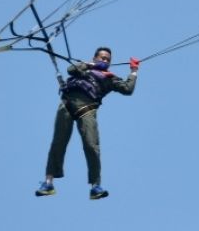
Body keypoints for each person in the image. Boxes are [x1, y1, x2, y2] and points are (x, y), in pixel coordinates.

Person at [35, 46, 139, 200]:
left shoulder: (109, 78)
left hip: (87, 109)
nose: (105, 60)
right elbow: (71, 70)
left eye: (107, 59)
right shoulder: (84, 68)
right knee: (58, 143)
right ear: (95, 57)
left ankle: (95, 186)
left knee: (91, 145)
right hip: (66, 106)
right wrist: (88, 64)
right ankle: (48, 183)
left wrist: (134, 71)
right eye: (102, 57)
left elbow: (127, 89)